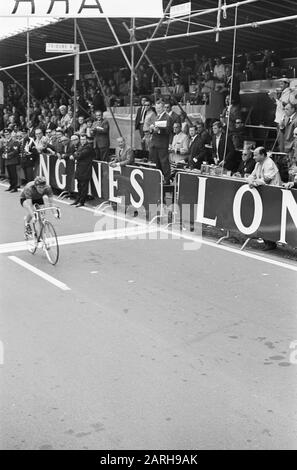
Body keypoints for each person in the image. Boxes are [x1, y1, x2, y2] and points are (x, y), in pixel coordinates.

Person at [248, 146, 281, 250]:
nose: (253, 157)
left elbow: (266, 180)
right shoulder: (258, 163)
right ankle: (264, 238)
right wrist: (250, 181)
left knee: (269, 217)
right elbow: (251, 175)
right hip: (264, 193)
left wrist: (254, 183)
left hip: (273, 194)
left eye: (255, 155)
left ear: (262, 155)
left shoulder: (269, 163)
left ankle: (270, 242)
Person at [149, 101, 173, 185]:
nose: (157, 110)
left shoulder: (167, 117)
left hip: (162, 144)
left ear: (163, 108)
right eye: (156, 108)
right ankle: (157, 178)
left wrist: (158, 130)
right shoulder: (156, 117)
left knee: (164, 162)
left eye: (159, 108)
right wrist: (152, 129)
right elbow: (153, 130)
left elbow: (168, 131)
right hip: (154, 143)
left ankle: (167, 180)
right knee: (155, 162)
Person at [71, 134, 94, 207]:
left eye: (84, 139)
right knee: (79, 185)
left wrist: (75, 155)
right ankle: (78, 200)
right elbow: (77, 153)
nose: (82, 141)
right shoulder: (81, 146)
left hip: (85, 169)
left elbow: (80, 155)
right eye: (81, 139)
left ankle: (82, 201)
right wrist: (76, 154)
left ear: (86, 139)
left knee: (84, 186)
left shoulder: (88, 147)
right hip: (79, 168)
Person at [0, 128, 20, 192]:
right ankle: (11, 186)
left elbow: (15, 151)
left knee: (13, 174)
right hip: (7, 161)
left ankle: (15, 187)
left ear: (10, 134)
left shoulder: (14, 141)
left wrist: (7, 155)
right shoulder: (6, 142)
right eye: (5, 134)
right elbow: (4, 150)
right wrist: (3, 154)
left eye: (8, 134)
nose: (6, 135)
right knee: (10, 175)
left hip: (12, 160)